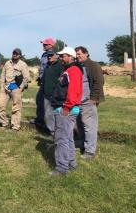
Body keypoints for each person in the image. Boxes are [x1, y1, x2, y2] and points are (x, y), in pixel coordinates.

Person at [49, 47, 83, 177]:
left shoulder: (73, 70)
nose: (61, 58)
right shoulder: (69, 70)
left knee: (61, 139)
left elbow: (73, 91)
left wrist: (66, 108)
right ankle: (71, 163)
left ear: (71, 56)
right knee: (68, 138)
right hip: (66, 108)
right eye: (61, 56)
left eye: (63, 56)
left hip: (66, 110)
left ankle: (62, 169)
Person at [75, 46, 105, 159]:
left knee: (90, 126)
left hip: (89, 101)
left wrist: (93, 99)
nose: (78, 56)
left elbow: (99, 82)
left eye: (79, 54)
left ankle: (90, 151)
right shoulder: (78, 66)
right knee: (80, 125)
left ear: (86, 53)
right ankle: (83, 144)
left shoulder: (94, 65)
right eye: (76, 54)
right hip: (79, 101)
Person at [0, 48, 30, 131]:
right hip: (6, 86)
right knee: (0, 106)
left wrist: (21, 88)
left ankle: (15, 127)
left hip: (15, 86)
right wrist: (2, 86)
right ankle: (5, 123)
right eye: (14, 53)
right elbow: (3, 75)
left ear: (20, 55)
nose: (15, 54)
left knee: (16, 108)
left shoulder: (23, 64)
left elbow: (26, 78)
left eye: (17, 53)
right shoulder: (8, 63)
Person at [34, 37, 56, 128]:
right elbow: (42, 68)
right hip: (42, 81)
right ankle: (40, 120)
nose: (43, 45)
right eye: (43, 44)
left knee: (48, 104)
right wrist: (39, 77)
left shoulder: (54, 55)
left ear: (51, 45)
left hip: (49, 83)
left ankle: (50, 124)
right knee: (39, 100)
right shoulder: (43, 55)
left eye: (45, 44)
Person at [41, 50, 63, 135]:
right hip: (47, 94)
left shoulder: (60, 65)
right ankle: (52, 132)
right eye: (48, 55)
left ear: (56, 56)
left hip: (56, 94)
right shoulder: (47, 65)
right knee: (48, 114)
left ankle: (60, 132)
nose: (49, 57)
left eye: (51, 55)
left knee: (58, 114)